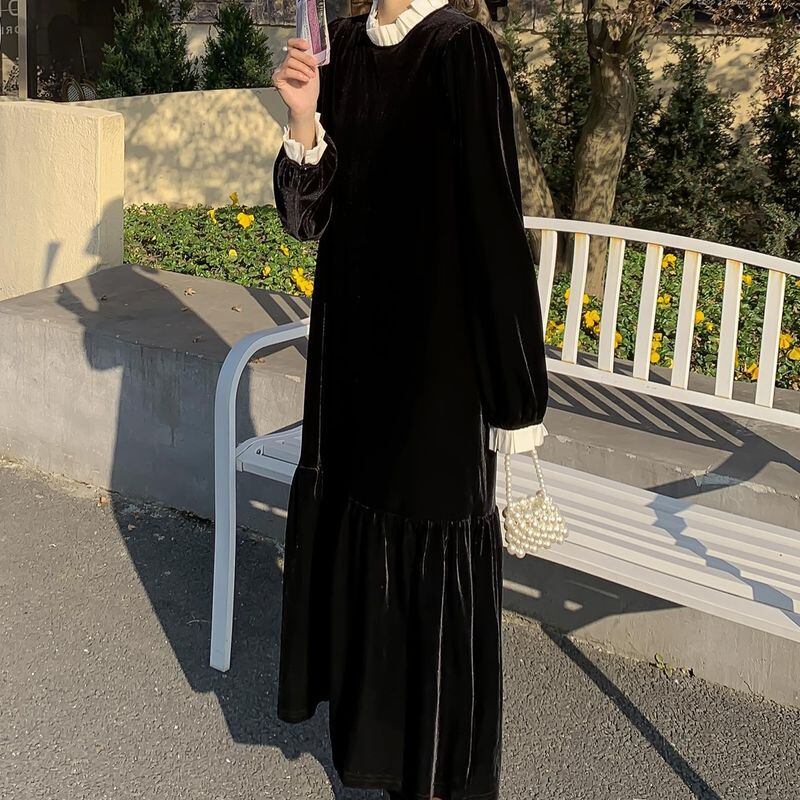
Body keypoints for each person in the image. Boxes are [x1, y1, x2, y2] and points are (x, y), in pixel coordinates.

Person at [271, 0, 549, 798]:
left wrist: (516, 396)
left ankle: (434, 780)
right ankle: (376, 755)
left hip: (437, 373)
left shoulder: (460, 49)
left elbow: (493, 221)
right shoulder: (344, 46)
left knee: (430, 569)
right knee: (366, 561)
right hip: (354, 375)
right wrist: (303, 119)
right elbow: (306, 219)